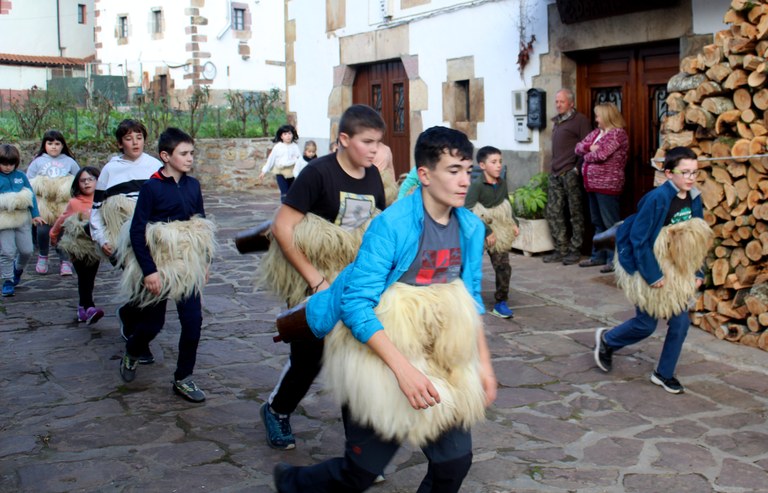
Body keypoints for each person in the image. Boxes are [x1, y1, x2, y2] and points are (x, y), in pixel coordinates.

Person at [273, 126, 497, 493]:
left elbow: (470, 300)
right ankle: (293, 484)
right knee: (359, 472)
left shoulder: (469, 228)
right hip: (381, 353)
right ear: (424, 175)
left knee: (454, 462)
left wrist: (483, 366)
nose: (463, 181)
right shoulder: (391, 227)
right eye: (453, 171)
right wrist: (403, 371)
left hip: (441, 356)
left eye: (467, 171)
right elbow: (356, 304)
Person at [258, 104, 386, 450]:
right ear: (344, 139)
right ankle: (276, 409)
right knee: (309, 359)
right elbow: (282, 228)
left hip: (352, 280)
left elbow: (378, 227)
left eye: (378, 142)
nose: (375, 150)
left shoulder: (373, 175)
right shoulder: (316, 173)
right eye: (367, 141)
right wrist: (316, 280)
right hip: (312, 279)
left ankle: (360, 449)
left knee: (354, 356)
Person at [594, 147, 712, 395]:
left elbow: (697, 239)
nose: (691, 178)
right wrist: (653, 275)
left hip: (677, 267)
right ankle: (608, 340)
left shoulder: (695, 198)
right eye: (685, 172)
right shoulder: (657, 199)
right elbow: (639, 240)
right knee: (646, 324)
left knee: (680, 324)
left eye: (694, 172)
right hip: (647, 262)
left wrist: (698, 273)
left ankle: (664, 373)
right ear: (669, 174)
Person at [118, 127, 216, 403]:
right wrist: (149, 271)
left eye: (191, 153)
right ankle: (133, 350)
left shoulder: (193, 186)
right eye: (183, 153)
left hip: (186, 265)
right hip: (159, 265)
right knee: (152, 325)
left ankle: (183, 378)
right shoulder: (151, 188)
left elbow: (202, 226)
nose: (189, 159)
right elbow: (137, 232)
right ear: (165, 156)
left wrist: (204, 263)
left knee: (193, 323)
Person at [89, 119, 162, 359]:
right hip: (122, 239)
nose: (135, 142)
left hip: (151, 235)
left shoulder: (155, 165)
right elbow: (97, 208)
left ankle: (130, 317)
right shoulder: (111, 170)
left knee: (150, 284)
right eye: (129, 138)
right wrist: (101, 239)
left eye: (139, 137)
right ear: (120, 143)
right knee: (140, 281)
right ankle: (140, 340)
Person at [465, 145, 519, 319]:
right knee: (470, 265)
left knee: (503, 266)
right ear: (482, 165)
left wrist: (514, 223)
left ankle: (501, 302)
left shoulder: (502, 183)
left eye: (500, 162)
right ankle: (467, 297)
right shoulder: (476, 186)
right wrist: (487, 231)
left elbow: (506, 204)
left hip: (499, 228)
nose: (498, 165)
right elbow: (468, 209)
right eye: (494, 162)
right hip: (479, 229)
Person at [575, 102, 628, 274]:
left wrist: (587, 155)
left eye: (598, 115)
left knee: (610, 224)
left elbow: (602, 154)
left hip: (608, 184)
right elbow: (578, 148)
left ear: (606, 116)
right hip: (592, 185)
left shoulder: (617, 134)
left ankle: (614, 260)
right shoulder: (598, 133)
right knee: (597, 222)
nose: (596, 119)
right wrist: (589, 148)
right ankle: (597, 256)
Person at [542, 88, 592, 265]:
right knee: (554, 212)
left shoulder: (580, 120)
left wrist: (577, 169)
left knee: (575, 212)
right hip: (555, 172)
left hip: (570, 172)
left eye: (561, 102)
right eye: (556, 102)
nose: (558, 105)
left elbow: (587, 146)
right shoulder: (557, 121)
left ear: (571, 103)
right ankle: (560, 248)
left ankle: (575, 249)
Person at [49, 166, 105, 324]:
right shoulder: (74, 203)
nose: (87, 183)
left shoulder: (102, 200)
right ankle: (90, 307)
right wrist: (53, 235)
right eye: (83, 180)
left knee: (90, 276)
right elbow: (62, 219)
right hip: (77, 246)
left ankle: (82, 307)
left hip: (94, 246)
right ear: (77, 184)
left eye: (90, 179)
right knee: (83, 275)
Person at [26, 130, 80, 276]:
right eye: (50, 143)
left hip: (63, 203)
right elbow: (29, 181)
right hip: (44, 203)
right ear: (45, 145)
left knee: (63, 231)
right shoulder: (38, 162)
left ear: (63, 145)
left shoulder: (70, 162)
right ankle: (43, 255)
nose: (54, 147)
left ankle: (65, 260)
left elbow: (78, 179)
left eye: (57, 144)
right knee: (43, 230)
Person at [0, 144, 44, 297]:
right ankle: (7, 280)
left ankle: (17, 270)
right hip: (4, 220)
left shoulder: (21, 176)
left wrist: (35, 214)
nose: (7, 167)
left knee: (27, 250)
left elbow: (30, 195)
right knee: (7, 252)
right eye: (4, 163)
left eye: (11, 164)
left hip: (22, 218)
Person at [259, 124, 302, 201]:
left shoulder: (295, 147)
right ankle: (284, 206)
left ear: (292, 134)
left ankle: (290, 207)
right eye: (285, 134)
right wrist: (264, 171)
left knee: (290, 192)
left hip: (291, 172)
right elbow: (271, 159)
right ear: (281, 136)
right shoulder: (277, 147)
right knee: (284, 193)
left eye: (289, 133)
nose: (288, 136)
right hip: (280, 172)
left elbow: (299, 159)